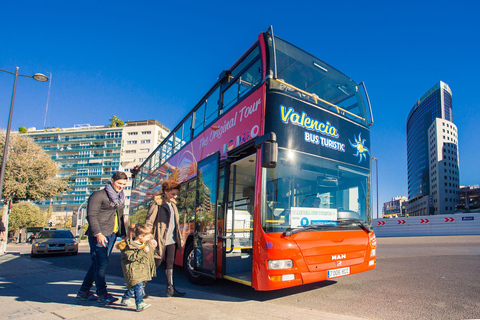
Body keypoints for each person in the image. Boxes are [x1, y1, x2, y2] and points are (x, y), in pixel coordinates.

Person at [76, 171, 128, 304]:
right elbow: (91, 215)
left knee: (97, 263)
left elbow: (121, 217)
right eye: (119, 183)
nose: (121, 186)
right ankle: (102, 294)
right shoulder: (98, 195)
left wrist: (123, 235)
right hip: (99, 234)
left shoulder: (120, 197)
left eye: (124, 184)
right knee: (102, 264)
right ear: (112, 181)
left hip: (111, 234)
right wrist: (98, 233)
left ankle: (83, 291)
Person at [145, 180, 185, 297]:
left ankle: (170, 289)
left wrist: (180, 238)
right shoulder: (156, 204)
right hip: (159, 239)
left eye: (176, 194)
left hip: (171, 240)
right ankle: (140, 287)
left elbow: (176, 224)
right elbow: (149, 223)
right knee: (155, 263)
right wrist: (150, 238)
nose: (175, 196)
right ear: (166, 192)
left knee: (170, 263)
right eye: (173, 194)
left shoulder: (173, 205)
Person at [116, 224, 157, 312]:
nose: (148, 239)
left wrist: (153, 246)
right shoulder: (128, 246)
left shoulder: (144, 243)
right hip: (133, 270)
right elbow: (131, 257)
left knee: (134, 286)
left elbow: (149, 254)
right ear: (140, 236)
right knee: (139, 286)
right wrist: (143, 251)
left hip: (141, 269)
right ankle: (139, 303)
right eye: (147, 237)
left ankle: (125, 298)